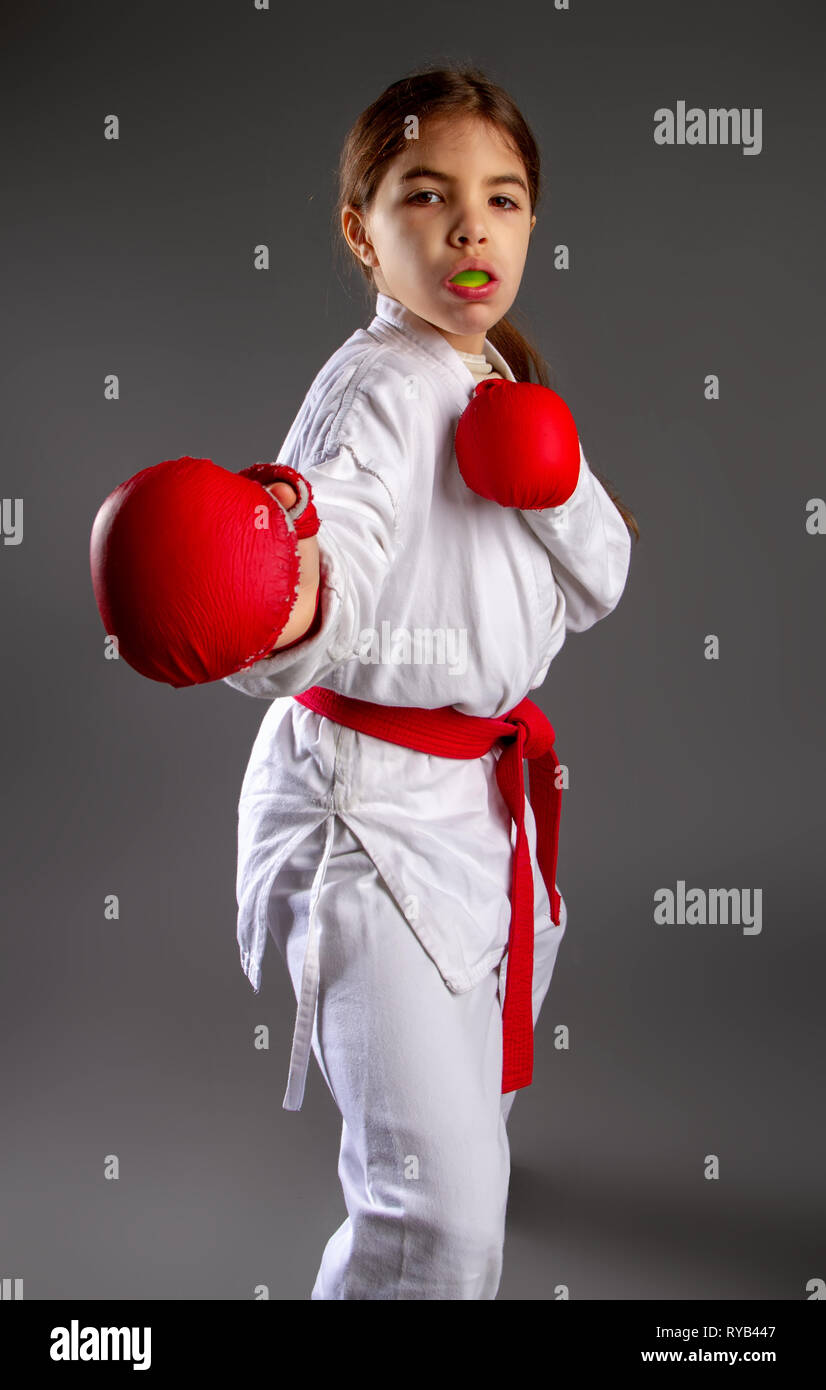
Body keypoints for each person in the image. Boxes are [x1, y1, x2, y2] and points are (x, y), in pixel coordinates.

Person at [223, 64, 637, 1300]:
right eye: (428, 194)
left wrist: (555, 479)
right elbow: (326, 554)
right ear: (363, 230)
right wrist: (280, 597)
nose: (471, 227)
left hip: (482, 804)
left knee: (483, 1096)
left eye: (503, 200)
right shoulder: (375, 392)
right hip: (366, 816)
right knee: (436, 1228)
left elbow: (602, 577)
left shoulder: (497, 377)